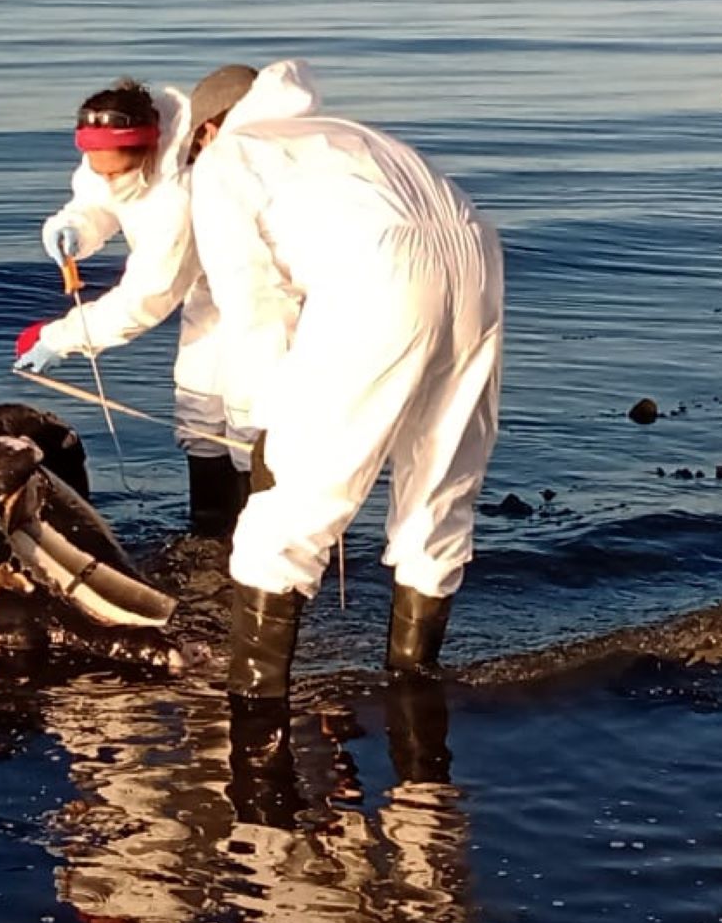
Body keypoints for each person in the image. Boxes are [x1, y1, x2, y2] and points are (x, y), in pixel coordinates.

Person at [184, 59, 504, 698]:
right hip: (476, 256)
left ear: (205, 133)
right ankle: (415, 686)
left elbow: (251, 302)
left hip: (381, 271)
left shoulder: (228, 159)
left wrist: (262, 422)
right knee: (440, 482)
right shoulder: (348, 133)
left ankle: (254, 707)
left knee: (293, 509)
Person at [12, 78, 248, 536]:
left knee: (247, 418)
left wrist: (61, 337)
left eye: (116, 170)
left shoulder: (177, 195)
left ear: (149, 149)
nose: (106, 178)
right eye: (97, 167)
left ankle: (260, 546)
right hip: (207, 293)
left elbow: (147, 297)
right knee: (199, 406)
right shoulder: (113, 167)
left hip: (251, 294)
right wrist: (76, 227)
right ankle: (211, 533)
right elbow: (99, 197)